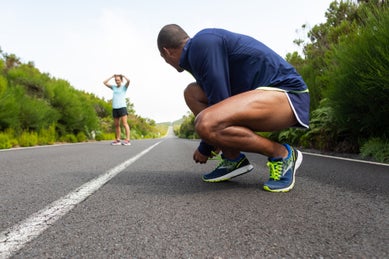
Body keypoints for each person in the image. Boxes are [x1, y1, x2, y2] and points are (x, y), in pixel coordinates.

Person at [157, 24, 310, 192]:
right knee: (192, 93)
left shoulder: (202, 43)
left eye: (164, 59)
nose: (168, 63)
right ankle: (233, 159)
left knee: (206, 123)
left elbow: (219, 102)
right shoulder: (196, 53)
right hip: (263, 98)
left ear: (167, 52)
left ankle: (282, 154)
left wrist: (205, 147)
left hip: (288, 95)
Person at [103, 74, 131, 146]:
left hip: (122, 107)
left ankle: (127, 140)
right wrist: (112, 76)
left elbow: (129, 81)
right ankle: (118, 140)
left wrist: (124, 76)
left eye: (118, 80)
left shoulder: (124, 87)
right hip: (115, 108)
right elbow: (104, 82)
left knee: (125, 124)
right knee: (116, 125)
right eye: (116, 80)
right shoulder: (113, 87)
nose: (117, 81)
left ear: (121, 80)